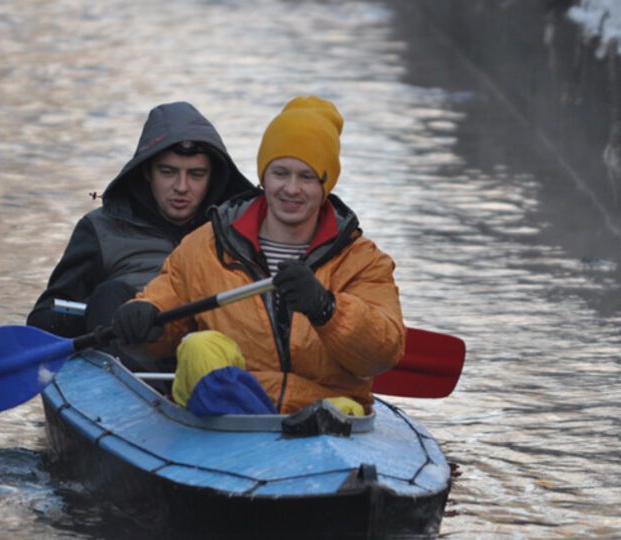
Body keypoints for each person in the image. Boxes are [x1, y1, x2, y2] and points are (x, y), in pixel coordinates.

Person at [111, 96, 406, 415]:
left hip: (322, 411)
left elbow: (382, 353)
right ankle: (242, 421)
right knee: (200, 346)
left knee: (345, 409)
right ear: (263, 177)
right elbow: (165, 303)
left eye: (306, 177)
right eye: (280, 173)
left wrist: (327, 309)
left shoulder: (363, 260)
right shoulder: (205, 245)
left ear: (326, 184)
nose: (291, 189)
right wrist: (144, 315)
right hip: (226, 407)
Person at [26, 102, 253, 360]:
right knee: (110, 294)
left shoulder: (238, 233)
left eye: (196, 175)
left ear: (213, 178)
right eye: (168, 172)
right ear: (147, 171)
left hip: (214, 360)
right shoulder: (99, 230)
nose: (181, 187)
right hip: (131, 369)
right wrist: (107, 314)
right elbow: (44, 320)